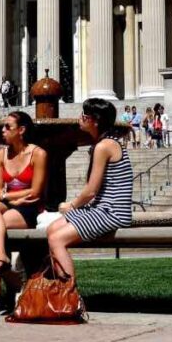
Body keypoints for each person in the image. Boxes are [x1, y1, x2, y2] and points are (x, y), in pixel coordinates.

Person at [47, 99, 133, 282]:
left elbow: (91, 191)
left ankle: (70, 296)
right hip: (102, 208)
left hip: (112, 212)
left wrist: (71, 205)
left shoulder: (104, 146)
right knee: (52, 229)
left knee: (57, 240)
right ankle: (60, 282)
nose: (80, 119)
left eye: (84, 116)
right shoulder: (104, 143)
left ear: (95, 120)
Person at [0, 110, 47, 309]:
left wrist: (10, 197)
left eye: (7, 127)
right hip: (11, 204)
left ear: (22, 130)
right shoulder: (1, 154)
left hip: (29, 208)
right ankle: (2, 257)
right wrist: (13, 197)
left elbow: (35, 192)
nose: (2, 130)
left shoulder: (38, 153)